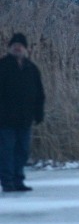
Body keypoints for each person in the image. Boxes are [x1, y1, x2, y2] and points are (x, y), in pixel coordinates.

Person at [0, 33, 45, 193]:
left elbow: (39, 93)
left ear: (26, 49)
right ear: (10, 47)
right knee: (6, 152)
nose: (17, 47)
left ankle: (18, 180)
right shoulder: (3, 66)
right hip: (5, 119)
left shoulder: (31, 68)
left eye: (21, 45)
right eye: (15, 45)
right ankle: (7, 182)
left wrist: (39, 113)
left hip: (25, 119)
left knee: (22, 151)